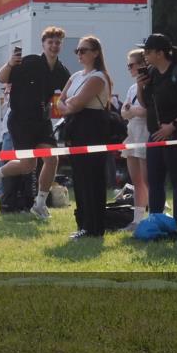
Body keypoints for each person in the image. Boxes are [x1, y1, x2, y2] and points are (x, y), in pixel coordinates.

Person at [0, 26, 70, 219]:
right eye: (51, 42)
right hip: (20, 120)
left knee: (52, 159)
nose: (54, 46)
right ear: (43, 44)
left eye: (58, 43)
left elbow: (69, 91)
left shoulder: (61, 70)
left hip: (42, 121)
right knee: (27, 166)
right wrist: (9, 63)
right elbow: (2, 77)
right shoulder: (30, 61)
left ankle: (39, 204)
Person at [137, 34, 177, 229]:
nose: (144, 55)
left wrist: (172, 126)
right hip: (155, 134)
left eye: (148, 51)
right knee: (154, 181)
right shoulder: (152, 73)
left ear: (160, 53)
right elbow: (144, 103)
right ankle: (156, 223)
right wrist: (141, 85)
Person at [56, 37, 113, 239]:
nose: (79, 54)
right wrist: (68, 105)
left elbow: (77, 104)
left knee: (92, 179)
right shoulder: (76, 76)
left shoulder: (98, 77)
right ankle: (83, 224)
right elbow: (60, 103)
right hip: (75, 129)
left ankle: (94, 227)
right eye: (77, 51)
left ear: (96, 52)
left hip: (93, 128)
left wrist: (69, 104)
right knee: (79, 179)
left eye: (84, 50)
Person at [120, 49, 151, 228]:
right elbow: (124, 112)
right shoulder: (133, 88)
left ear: (142, 65)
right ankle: (137, 219)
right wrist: (131, 112)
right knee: (136, 180)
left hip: (145, 135)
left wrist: (132, 111)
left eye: (131, 65)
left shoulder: (151, 85)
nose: (129, 68)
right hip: (132, 135)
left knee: (148, 180)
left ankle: (155, 216)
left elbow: (148, 111)